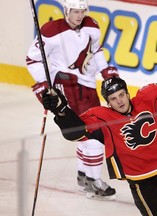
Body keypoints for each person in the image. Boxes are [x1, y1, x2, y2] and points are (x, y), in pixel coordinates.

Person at [41, 37, 157, 216]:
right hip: (144, 184)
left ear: (127, 93)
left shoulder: (148, 99)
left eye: (121, 95)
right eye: (113, 99)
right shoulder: (102, 118)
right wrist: (61, 110)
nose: (119, 101)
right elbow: (75, 133)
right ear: (108, 102)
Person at [26, 0, 117, 200]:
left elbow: (97, 50)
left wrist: (106, 70)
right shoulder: (51, 30)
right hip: (66, 86)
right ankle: (93, 182)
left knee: (89, 132)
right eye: (75, 11)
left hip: (88, 86)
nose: (79, 15)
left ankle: (84, 176)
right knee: (93, 134)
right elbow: (33, 58)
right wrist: (43, 83)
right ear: (67, 10)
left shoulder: (92, 25)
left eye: (82, 11)